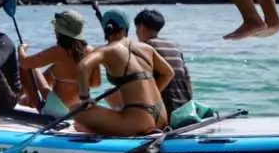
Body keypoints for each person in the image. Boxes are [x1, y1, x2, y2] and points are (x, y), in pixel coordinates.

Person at [72, 9, 175, 137]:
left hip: (138, 123)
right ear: (126, 28)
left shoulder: (107, 50)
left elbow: (83, 66)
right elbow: (169, 73)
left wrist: (85, 98)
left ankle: (96, 130)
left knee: (76, 110)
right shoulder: (146, 48)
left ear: (106, 30)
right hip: (161, 118)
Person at [17, 9, 101, 120]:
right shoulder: (92, 52)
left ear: (60, 31)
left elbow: (25, 62)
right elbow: (96, 83)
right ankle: (24, 100)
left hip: (56, 111)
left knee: (25, 67)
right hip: (77, 110)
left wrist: (21, 49)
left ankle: (32, 102)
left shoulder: (58, 51)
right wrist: (73, 80)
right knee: (52, 69)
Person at [133, 9, 193, 116]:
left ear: (141, 28)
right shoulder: (174, 46)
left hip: (166, 110)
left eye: (136, 29)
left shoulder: (146, 47)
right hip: (185, 108)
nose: (136, 33)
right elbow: (187, 80)